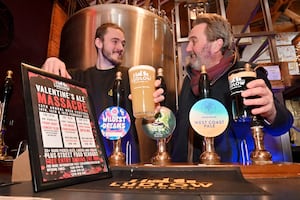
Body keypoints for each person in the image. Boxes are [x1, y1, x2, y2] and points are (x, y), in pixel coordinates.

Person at [171, 13, 294, 164]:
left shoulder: (246, 73)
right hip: (187, 178)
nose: (188, 48)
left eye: (193, 41)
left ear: (217, 45)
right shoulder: (188, 80)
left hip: (232, 178)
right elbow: (180, 129)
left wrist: (272, 113)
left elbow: (283, 125)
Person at [42, 23, 164, 164]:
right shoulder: (78, 77)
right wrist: (51, 62)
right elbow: (43, 90)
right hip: (87, 162)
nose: (120, 48)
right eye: (115, 42)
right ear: (98, 42)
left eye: (123, 44)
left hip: (127, 161)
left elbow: (148, 121)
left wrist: (152, 110)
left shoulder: (131, 76)